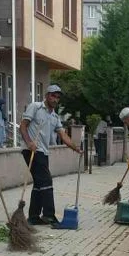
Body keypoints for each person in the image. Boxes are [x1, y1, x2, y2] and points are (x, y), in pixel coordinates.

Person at [19, 84, 82, 227]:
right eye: (53, 96)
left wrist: (75, 148)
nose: (55, 99)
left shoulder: (54, 116)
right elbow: (23, 126)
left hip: (43, 152)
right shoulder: (35, 107)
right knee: (47, 182)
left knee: (40, 183)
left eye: (58, 97)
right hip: (32, 150)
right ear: (47, 95)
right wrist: (29, 142)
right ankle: (49, 215)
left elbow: (63, 135)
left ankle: (34, 217)